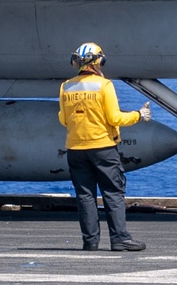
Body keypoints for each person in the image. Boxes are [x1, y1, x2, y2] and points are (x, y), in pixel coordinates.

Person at [59, 42, 152, 252]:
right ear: (99, 60)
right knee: (113, 193)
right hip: (103, 148)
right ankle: (119, 238)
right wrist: (139, 115)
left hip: (75, 149)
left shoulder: (66, 86)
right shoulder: (104, 85)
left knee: (85, 196)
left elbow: (64, 119)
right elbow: (114, 118)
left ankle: (90, 242)